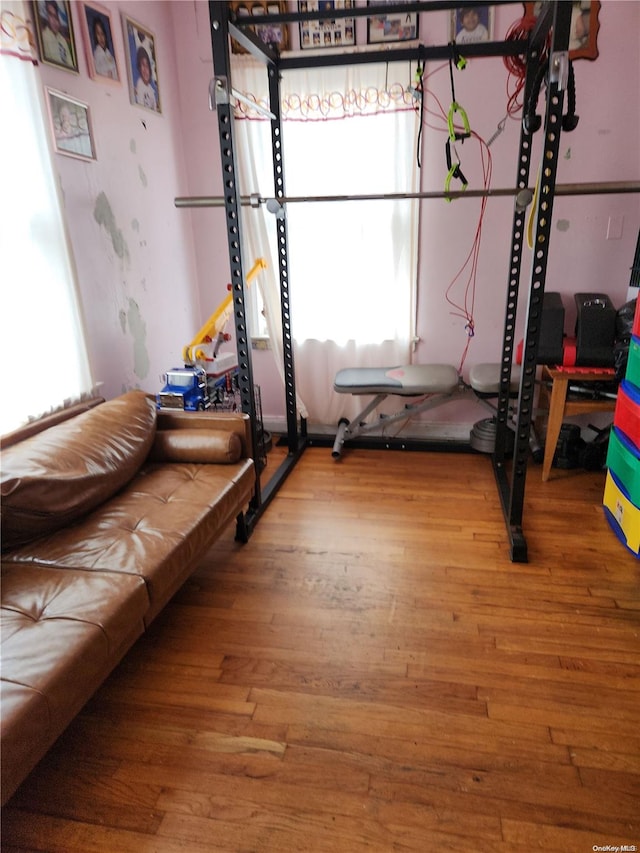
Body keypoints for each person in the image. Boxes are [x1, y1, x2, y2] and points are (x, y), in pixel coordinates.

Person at [41, 0, 73, 67]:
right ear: (47, 15)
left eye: (56, 17)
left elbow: (70, 65)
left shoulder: (62, 40)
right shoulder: (44, 37)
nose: (54, 21)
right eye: (51, 15)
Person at [134, 45, 158, 111]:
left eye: (147, 66)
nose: (145, 70)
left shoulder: (151, 89)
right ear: (139, 68)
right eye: (143, 65)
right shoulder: (139, 86)